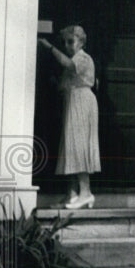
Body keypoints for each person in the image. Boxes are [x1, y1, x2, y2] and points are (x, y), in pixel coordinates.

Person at [38, 25, 101, 209]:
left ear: (81, 42)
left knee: (79, 145)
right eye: (65, 42)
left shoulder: (83, 58)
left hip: (82, 102)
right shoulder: (74, 60)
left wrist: (50, 48)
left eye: (71, 41)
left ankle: (86, 193)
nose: (67, 46)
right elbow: (64, 84)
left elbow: (67, 64)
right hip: (72, 102)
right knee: (70, 146)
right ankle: (72, 194)